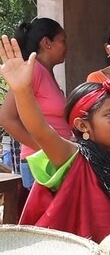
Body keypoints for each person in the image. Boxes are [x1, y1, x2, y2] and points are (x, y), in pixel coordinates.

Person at [0, 36, 110, 241]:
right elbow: (41, 130)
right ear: (83, 125)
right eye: (109, 115)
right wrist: (22, 90)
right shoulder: (73, 157)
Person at [0, 18, 69, 190]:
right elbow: (6, 117)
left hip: (56, 158)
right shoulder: (34, 69)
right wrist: (46, 147)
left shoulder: (46, 72)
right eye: (63, 41)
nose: (66, 46)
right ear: (47, 43)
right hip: (41, 162)